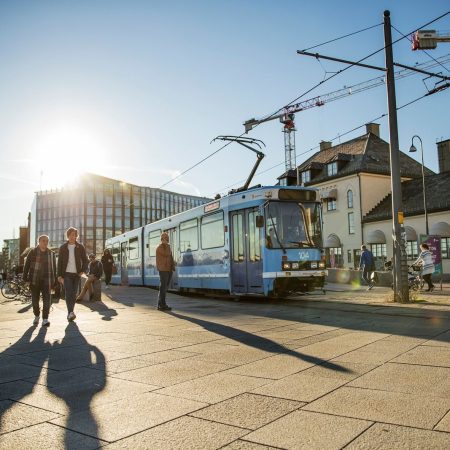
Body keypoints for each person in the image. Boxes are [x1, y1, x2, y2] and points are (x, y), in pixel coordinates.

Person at [23, 235, 57, 327]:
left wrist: (55, 281)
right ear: (39, 241)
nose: (45, 242)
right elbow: (26, 266)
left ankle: (45, 319)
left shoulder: (51, 253)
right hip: (34, 279)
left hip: (48, 280)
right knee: (35, 300)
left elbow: (54, 268)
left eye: (46, 241)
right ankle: (37, 315)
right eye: (43, 241)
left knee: (47, 300)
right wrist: (25, 278)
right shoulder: (32, 252)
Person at [57, 227, 89, 322]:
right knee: (68, 293)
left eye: (74, 235)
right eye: (71, 235)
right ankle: (70, 312)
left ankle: (71, 312)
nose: (72, 236)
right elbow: (60, 262)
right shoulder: (63, 247)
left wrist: (83, 270)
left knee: (74, 293)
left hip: (76, 274)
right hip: (66, 274)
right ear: (68, 236)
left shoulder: (80, 247)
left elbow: (85, 260)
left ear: (76, 236)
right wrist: (59, 276)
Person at [155, 232, 175, 311]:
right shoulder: (160, 247)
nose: (167, 239)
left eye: (167, 238)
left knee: (165, 287)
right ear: (162, 239)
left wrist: (173, 266)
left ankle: (162, 304)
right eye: (165, 238)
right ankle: (161, 305)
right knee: (163, 287)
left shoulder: (168, 247)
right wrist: (167, 245)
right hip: (163, 269)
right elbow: (167, 254)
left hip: (168, 269)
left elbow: (171, 257)